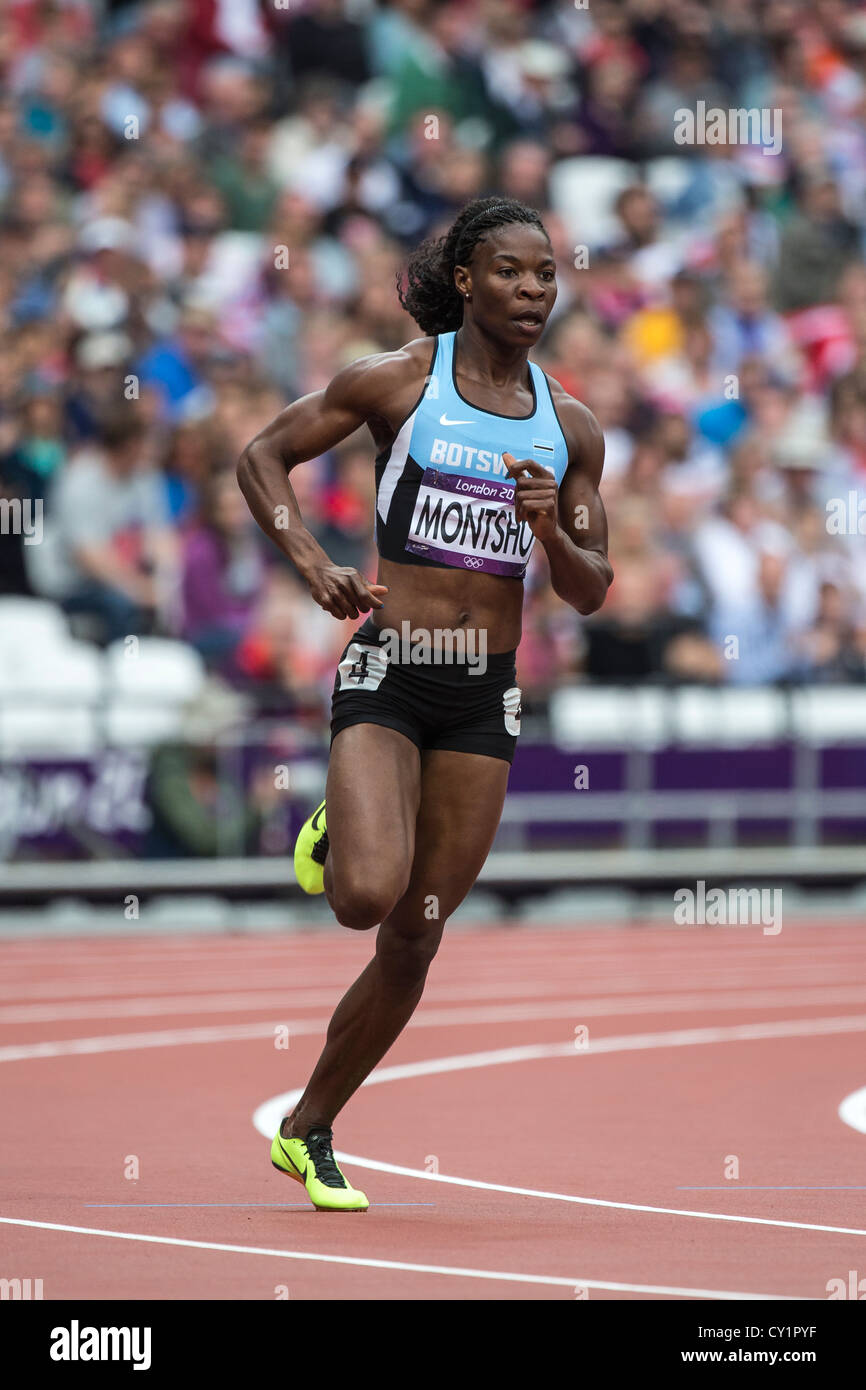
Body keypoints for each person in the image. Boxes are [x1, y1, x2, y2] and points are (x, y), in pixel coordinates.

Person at [237, 196, 613, 1211]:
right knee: (363, 893)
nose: (530, 290)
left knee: (414, 930)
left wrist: (550, 533)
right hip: (391, 668)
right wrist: (313, 561)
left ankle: (309, 1126)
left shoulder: (569, 426)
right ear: (464, 280)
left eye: (544, 274)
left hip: (482, 697)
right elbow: (259, 456)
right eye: (509, 272)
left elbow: (592, 587)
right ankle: (342, 815)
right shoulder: (397, 382)